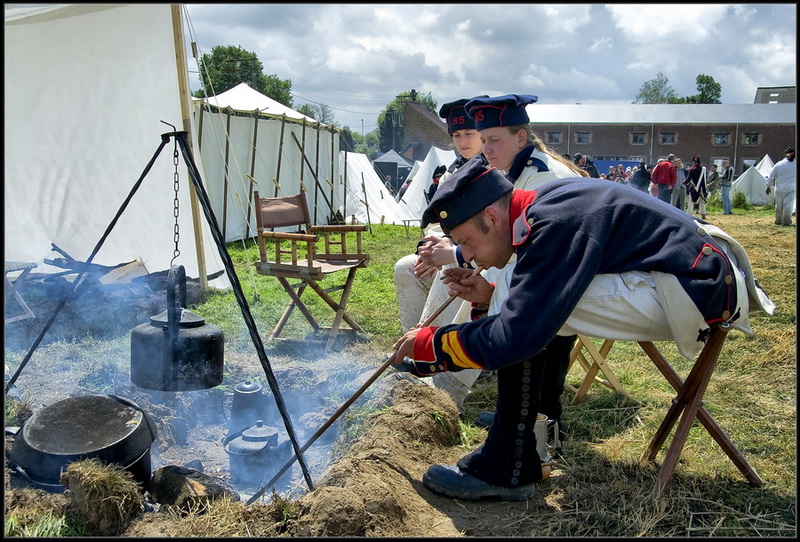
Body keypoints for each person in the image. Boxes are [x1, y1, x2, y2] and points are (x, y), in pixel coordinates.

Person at [392, 156, 774, 501]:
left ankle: (507, 463)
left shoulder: (555, 220)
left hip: (699, 287)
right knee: (517, 291)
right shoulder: (543, 208)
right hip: (690, 279)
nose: (468, 256)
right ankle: (526, 445)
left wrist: (430, 344)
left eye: (466, 243)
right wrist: (491, 296)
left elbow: (517, 334)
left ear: (491, 217)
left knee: (519, 296)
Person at [435, 93, 587, 445]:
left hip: (565, 278)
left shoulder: (542, 178)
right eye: (483, 139)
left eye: (493, 139)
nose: (485, 148)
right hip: (546, 272)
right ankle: (521, 414)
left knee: (517, 304)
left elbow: (530, 256)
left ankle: (539, 423)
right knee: (478, 284)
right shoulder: (512, 172)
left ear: (521, 138)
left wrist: (485, 280)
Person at [392, 96, 487, 409]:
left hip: (487, 262)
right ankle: (414, 351)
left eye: (468, 134)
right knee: (406, 267)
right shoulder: (451, 174)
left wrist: (451, 254)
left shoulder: (496, 170)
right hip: (453, 252)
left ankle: (446, 381)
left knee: (450, 274)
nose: (462, 141)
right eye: (457, 135)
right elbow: (435, 223)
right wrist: (427, 249)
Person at [765, 147, 796, 226]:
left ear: (785, 155)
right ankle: (787, 221)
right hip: (792, 187)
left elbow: (771, 176)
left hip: (779, 187)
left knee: (779, 205)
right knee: (788, 204)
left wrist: (768, 186)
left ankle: (778, 220)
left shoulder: (778, 164)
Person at [684, 155, 709, 219]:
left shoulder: (692, 169)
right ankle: (703, 214)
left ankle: (689, 214)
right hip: (702, 188)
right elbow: (706, 179)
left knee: (691, 201)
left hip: (694, 187)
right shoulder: (704, 169)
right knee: (702, 202)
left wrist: (684, 182)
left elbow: (688, 179)